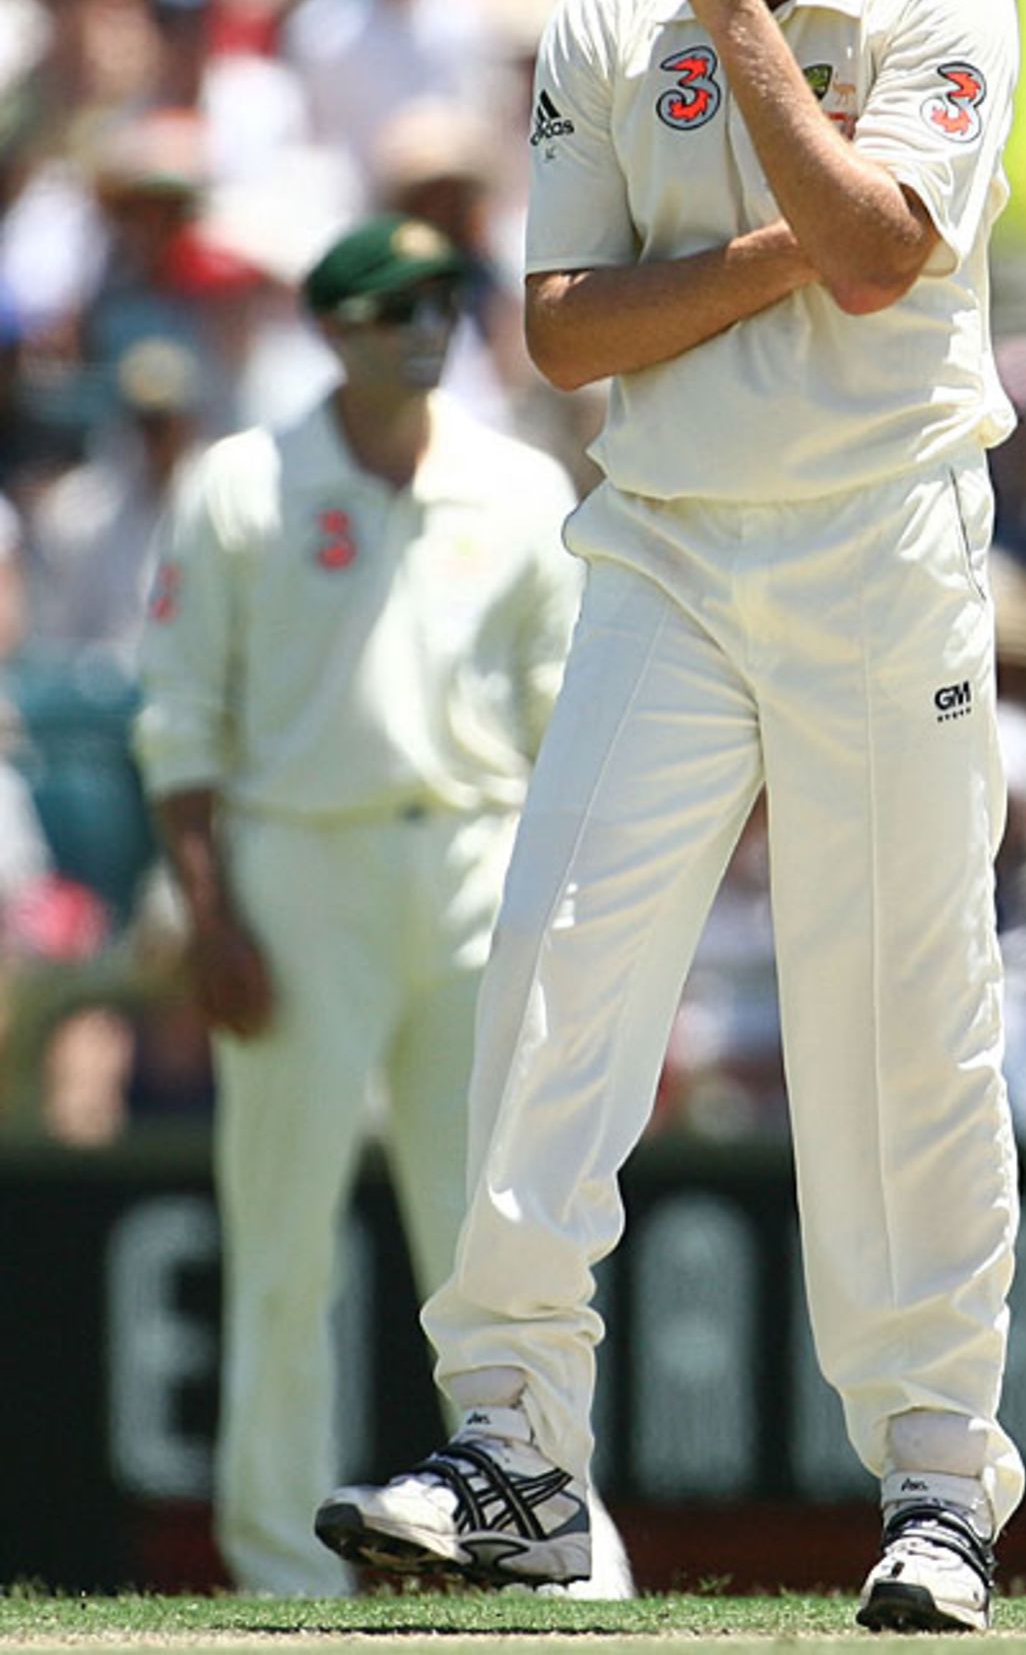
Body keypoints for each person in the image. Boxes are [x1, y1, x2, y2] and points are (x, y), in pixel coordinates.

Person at [317, 0, 1022, 1631]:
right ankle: (515, 1455)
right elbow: (566, 331)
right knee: (552, 968)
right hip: (668, 546)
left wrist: (745, 47)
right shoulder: (606, 16)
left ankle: (938, 1487)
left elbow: (883, 260)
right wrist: (781, 240)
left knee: (900, 1017)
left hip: (883, 540)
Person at [133, 214, 631, 1598]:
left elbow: (566, 719)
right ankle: (280, 1566)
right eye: (397, 306)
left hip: (476, 859)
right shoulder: (243, 486)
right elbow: (180, 718)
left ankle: (546, 1540)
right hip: (300, 870)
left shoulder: (517, 487)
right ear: (334, 327)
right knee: (283, 1237)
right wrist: (210, 915)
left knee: (497, 1232)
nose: (428, 328)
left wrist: (573, 913)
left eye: (442, 303)